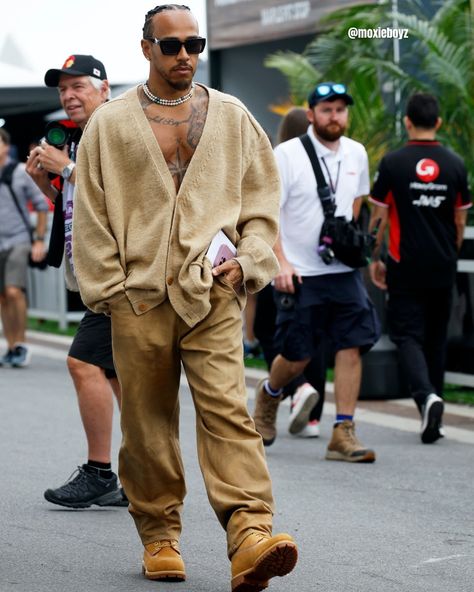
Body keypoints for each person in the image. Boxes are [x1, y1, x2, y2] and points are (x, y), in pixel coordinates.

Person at [72, 4, 298, 590]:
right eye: (170, 46)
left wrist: (249, 263)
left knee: (228, 413)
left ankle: (250, 532)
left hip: (212, 294)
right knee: (147, 426)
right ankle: (159, 535)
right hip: (137, 299)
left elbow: (260, 202)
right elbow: (91, 218)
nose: (184, 56)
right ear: (145, 47)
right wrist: (111, 291)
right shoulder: (111, 122)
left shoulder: (231, 115)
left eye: (193, 44)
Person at [253, 82, 380, 463]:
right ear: (311, 115)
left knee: (351, 344)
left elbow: (356, 203)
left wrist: (349, 244)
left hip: (342, 271)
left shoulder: (356, 152)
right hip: (300, 272)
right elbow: (269, 212)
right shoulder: (287, 155)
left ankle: (343, 432)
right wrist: (281, 261)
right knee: (297, 355)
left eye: (341, 109)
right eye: (326, 109)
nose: (334, 116)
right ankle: (270, 393)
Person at [25, 55, 127, 508]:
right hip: (97, 276)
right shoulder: (81, 136)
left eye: (79, 86)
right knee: (121, 376)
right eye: (63, 89)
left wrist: (65, 168)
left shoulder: (120, 128)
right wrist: (47, 182)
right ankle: (148, 471)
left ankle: (101, 472)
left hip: (120, 276)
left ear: (104, 89)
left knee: (83, 363)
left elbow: (126, 196)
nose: (69, 95)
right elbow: (80, 205)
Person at [368, 92, 472, 444]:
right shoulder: (455, 164)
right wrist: (449, 252)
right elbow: (460, 222)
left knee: (406, 335)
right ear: (438, 123)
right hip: (443, 265)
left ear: (407, 122)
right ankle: (436, 415)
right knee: (436, 339)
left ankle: (427, 397)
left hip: (404, 265)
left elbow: (379, 217)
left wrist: (375, 258)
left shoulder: (393, 163)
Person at [253, 106, 327, 439]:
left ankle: (296, 388)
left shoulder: (280, 162)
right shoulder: (323, 165)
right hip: (318, 268)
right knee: (313, 337)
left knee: (270, 331)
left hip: (280, 266)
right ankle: (313, 414)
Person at [0, 128, 48, 367]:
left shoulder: (19, 172)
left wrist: (39, 240)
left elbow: (41, 205)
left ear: (6, 147)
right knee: (2, 297)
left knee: (13, 291)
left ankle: (21, 343)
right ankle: (10, 347)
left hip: (18, 240)